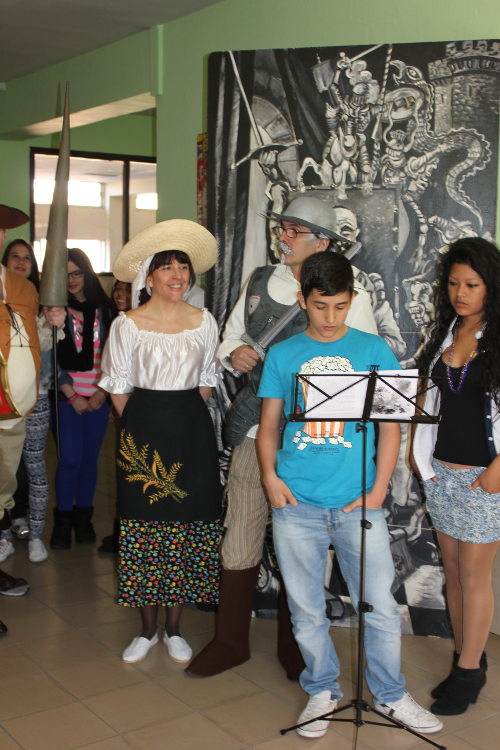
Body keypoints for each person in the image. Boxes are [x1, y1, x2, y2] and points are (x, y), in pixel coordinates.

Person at [187, 196, 377, 680]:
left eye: (294, 230)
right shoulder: (259, 281)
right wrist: (235, 354)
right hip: (257, 429)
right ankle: (230, 640)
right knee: (241, 530)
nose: (284, 238)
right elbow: (230, 335)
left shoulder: (350, 295)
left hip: (315, 443)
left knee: (304, 546)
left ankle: (298, 647)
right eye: (283, 228)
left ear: (324, 242)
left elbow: (364, 366)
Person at [256, 251, 442, 738]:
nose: (330, 317)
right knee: (305, 608)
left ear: (352, 300)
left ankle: (390, 695)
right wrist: (270, 476)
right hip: (297, 502)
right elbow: (269, 425)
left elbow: (390, 428)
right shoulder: (283, 354)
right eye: (320, 306)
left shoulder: (373, 348)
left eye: (340, 306)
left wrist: (379, 490)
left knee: (379, 606)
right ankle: (321, 689)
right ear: (303, 300)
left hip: (359, 501)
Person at [99, 219, 222, 664]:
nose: (177, 275)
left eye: (183, 267)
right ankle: (148, 629)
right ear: (148, 276)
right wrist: (145, 424)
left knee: (187, 522)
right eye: (167, 267)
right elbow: (117, 386)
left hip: (192, 430)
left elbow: (206, 380)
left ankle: (174, 628)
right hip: (142, 429)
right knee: (144, 523)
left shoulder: (204, 321)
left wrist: (180, 417)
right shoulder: (127, 325)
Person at [411, 237, 500, 715]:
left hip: (486, 477)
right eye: (453, 283)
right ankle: (469, 659)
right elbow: (427, 402)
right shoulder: (445, 334)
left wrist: (498, 471)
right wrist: (417, 453)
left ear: (492, 286)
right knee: (452, 570)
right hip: (441, 471)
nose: (460, 293)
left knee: (473, 575)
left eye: (472, 284)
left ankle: (467, 675)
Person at [0, 239, 65, 562]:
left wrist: (54, 322)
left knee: (31, 467)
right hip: (3, 400)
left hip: (34, 399)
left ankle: (33, 533)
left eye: (27, 258)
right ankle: (4, 533)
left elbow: (48, 347)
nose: (22, 262)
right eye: (15, 256)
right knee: (5, 471)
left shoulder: (40, 301)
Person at [49, 247, 111, 550]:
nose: (72, 280)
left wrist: (104, 391)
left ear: (87, 273)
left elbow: (116, 355)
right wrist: (72, 394)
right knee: (70, 459)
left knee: (89, 461)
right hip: (67, 397)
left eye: (77, 273)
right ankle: (62, 521)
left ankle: (84, 519)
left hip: (99, 396)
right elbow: (50, 357)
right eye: (66, 274)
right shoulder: (54, 309)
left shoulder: (106, 310)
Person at [0, 262, 41, 628]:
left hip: (13, 413)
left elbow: (29, 341)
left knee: (2, 494)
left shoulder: (23, 287)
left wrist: (54, 324)